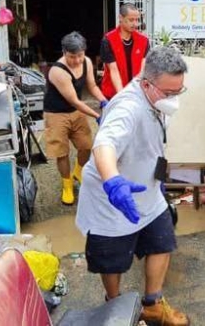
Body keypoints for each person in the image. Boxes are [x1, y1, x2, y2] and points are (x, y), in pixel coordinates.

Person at [75, 46, 190, 326]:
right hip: (114, 198)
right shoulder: (128, 106)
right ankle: (115, 309)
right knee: (113, 260)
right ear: (146, 84)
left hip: (147, 190)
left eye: (179, 92)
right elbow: (105, 144)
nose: (174, 99)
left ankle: (152, 305)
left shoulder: (155, 97)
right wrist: (113, 182)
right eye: (169, 93)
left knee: (162, 242)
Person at [44, 32, 108, 205]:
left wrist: (104, 101)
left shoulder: (86, 62)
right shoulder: (58, 71)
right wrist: (97, 115)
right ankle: (67, 185)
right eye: (73, 57)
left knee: (86, 146)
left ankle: (78, 172)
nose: (77, 60)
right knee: (62, 152)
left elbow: (92, 85)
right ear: (64, 52)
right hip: (56, 114)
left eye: (80, 55)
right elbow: (74, 100)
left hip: (76, 111)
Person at [101, 4, 151, 100]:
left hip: (136, 92)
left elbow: (143, 69)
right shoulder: (108, 40)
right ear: (120, 18)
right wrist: (122, 96)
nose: (135, 24)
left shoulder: (143, 40)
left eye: (137, 20)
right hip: (113, 94)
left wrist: (135, 91)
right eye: (131, 20)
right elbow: (113, 70)